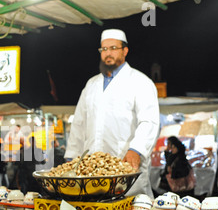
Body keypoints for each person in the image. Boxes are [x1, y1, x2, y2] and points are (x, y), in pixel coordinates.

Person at [65, 29, 159, 197]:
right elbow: (79, 124)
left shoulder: (140, 82)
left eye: (113, 48)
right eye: (104, 49)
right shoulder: (91, 85)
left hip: (126, 169)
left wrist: (136, 150)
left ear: (125, 50)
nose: (108, 53)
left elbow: (149, 121)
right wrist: (71, 158)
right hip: (90, 173)